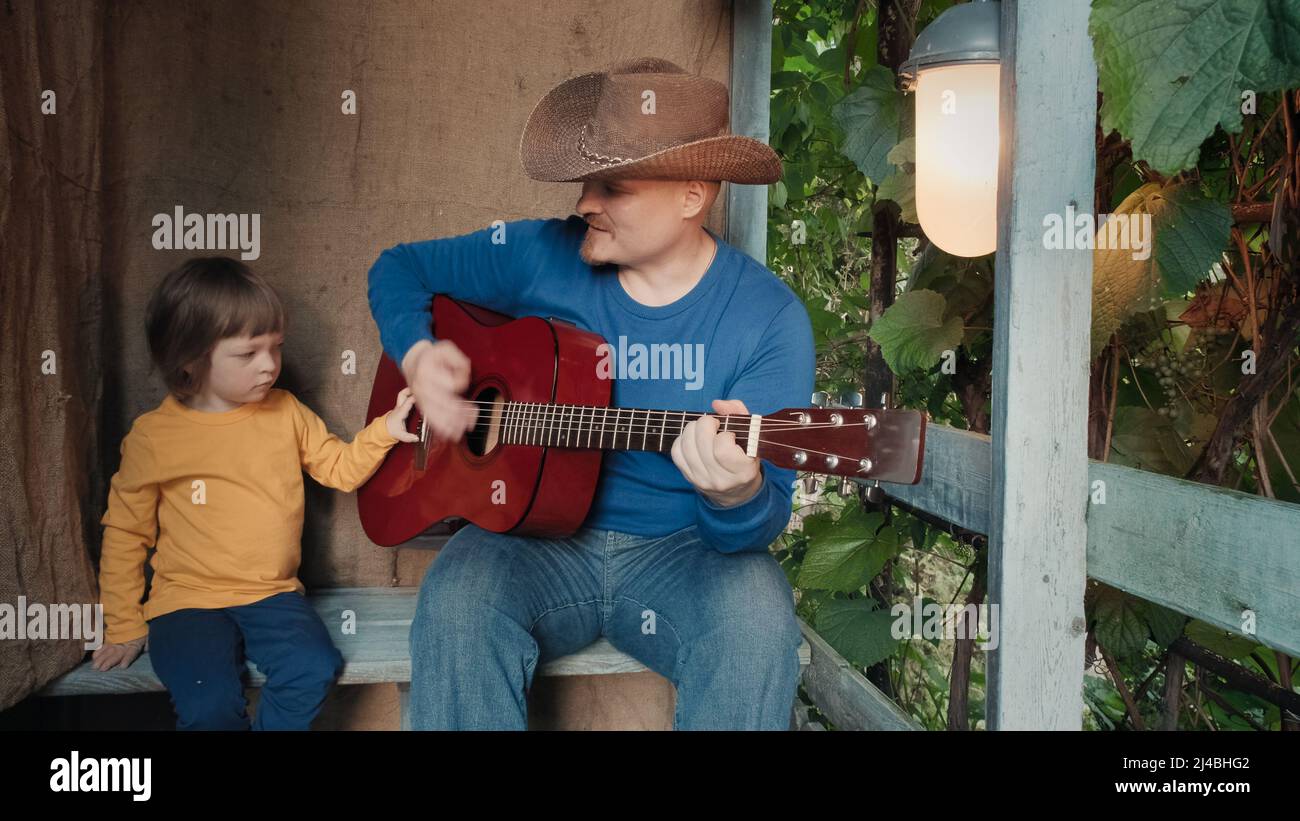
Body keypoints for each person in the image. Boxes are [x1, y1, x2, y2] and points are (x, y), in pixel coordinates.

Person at [367, 57, 816, 730]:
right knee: (458, 597)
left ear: (693, 196)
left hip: (683, 552)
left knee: (758, 616)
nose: (583, 203)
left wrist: (735, 496)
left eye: (613, 186)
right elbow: (398, 267)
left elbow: (764, 518)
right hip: (532, 541)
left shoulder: (769, 318)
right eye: (585, 181)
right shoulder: (538, 253)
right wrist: (420, 352)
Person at [92, 256, 418, 730]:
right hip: (185, 602)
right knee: (210, 706)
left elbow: (340, 469)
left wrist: (385, 429)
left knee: (313, 668)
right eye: (248, 354)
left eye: (276, 347)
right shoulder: (153, 436)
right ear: (190, 360)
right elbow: (125, 533)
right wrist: (123, 625)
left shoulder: (285, 411)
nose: (269, 366)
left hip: (272, 595)